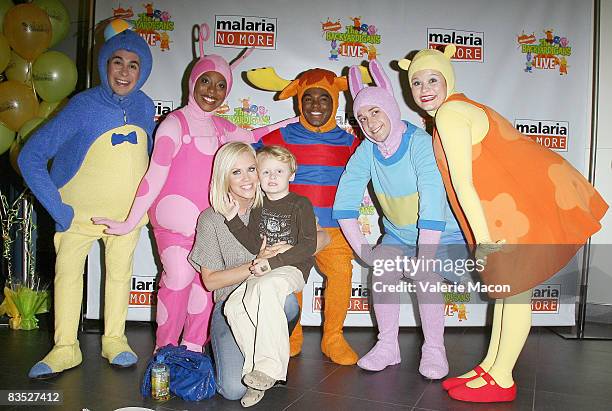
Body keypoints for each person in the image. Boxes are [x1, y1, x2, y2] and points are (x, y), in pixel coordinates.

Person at [399, 45, 608, 402]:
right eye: (416, 82)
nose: (424, 88)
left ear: (448, 80)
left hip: (509, 218)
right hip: (513, 212)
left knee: (514, 298)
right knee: (508, 296)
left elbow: (464, 182)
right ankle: (490, 367)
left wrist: (483, 240)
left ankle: (503, 378)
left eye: (433, 78)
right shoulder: (461, 108)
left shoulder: (450, 114)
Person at [92, 24, 296, 352]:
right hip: (175, 230)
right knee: (178, 280)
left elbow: (255, 135)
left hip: (210, 233)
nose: (212, 91)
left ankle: (193, 353)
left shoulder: (221, 127)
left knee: (204, 291)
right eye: (206, 81)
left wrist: (291, 122)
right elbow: (154, 176)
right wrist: (130, 221)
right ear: (193, 81)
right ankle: (165, 352)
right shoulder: (174, 124)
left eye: (220, 85)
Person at [18, 27, 155, 378]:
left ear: (144, 71)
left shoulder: (144, 105)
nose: (124, 72)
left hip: (125, 217)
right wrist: (58, 209)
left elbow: (152, 155)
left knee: (120, 277)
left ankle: (115, 340)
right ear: (104, 65)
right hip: (76, 216)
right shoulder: (82, 107)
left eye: (134, 65)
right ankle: (65, 347)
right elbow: (30, 156)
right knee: (67, 277)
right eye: (117, 62)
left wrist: (145, 204)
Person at [333, 59, 466, 379]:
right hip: (399, 236)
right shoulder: (366, 151)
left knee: (426, 277)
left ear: (390, 108)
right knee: (381, 273)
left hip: (444, 236)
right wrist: (365, 253)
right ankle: (388, 345)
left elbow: (433, 203)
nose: (369, 122)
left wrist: (427, 257)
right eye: (362, 117)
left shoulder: (420, 143)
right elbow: (344, 205)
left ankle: (435, 349)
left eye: (375, 112)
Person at [188, 142, 329, 406]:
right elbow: (210, 281)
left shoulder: (276, 202)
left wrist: (289, 250)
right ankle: (239, 357)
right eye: (236, 172)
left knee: (280, 298)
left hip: (270, 293)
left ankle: (268, 365)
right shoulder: (211, 219)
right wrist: (257, 263)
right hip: (230, 302)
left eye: (251, 169)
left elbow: (322, 237)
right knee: (232, 389)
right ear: (223, 177)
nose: (247, 178)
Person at [247, 66, 368, 365]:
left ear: (336, 102)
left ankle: (333, 337)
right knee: (291, 282)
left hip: (335, 230)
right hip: (290, 229)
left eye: (324, 98)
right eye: (309, 98)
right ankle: (290, 336)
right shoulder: (281, 136)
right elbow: (247, 152)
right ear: (298, 101)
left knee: (341, 277)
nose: (316, 105)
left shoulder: (350, 142)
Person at [220, 145, 316, 406]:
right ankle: (255, 375)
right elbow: (254, 245)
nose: (272, 177)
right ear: (258, 177)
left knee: (267, 288)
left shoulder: (300, 204)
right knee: (234, 307)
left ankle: (270, 368)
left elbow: (309, 245)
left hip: (292, 268)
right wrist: (232, 220)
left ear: (291, 174)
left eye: (279, 171)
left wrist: (275, 262)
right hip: (265, 268)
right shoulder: (259, 206)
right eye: (266, 172)